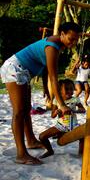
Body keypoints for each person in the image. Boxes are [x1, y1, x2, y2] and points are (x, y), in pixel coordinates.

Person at [0, 22, 82, 165]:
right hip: (14, 69)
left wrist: (45, 88)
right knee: (19, 111)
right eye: (71, 39)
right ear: (62, 34)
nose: (73, 43)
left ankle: (31, 141)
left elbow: (45, 67)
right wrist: (61, 105)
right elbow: (54, 78)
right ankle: (21, 154)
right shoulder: (52, 47)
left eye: (76, 40)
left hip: (24, 72)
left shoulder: (58, 45)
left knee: (26, 110)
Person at [38, 79, 86, 158]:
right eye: (67, 89)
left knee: (83, 137)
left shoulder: (75, 99)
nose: (70, 91)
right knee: (42, 136)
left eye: (71, 89)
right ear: (59, 91)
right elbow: (52, 115)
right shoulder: (56, 100)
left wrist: (74, 110)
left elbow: (83, 110)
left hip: (73, 125)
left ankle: (81, 154)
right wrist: (57, 112)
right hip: (61, 125)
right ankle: (50, 151)